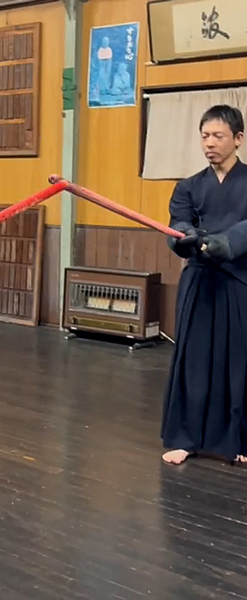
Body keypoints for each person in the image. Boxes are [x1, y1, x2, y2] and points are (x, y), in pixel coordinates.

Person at [161, 104, 247, 466]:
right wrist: (184, 237)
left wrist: (229, 242)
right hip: (199, 279)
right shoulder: (189, 186)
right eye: (205, 136)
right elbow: (178, 223)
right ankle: (186, 437)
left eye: (218, 136)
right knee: (192, 361)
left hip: (240, 278)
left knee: (240, 362)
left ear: (238, 139)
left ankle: (240, 439)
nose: (209, 143)